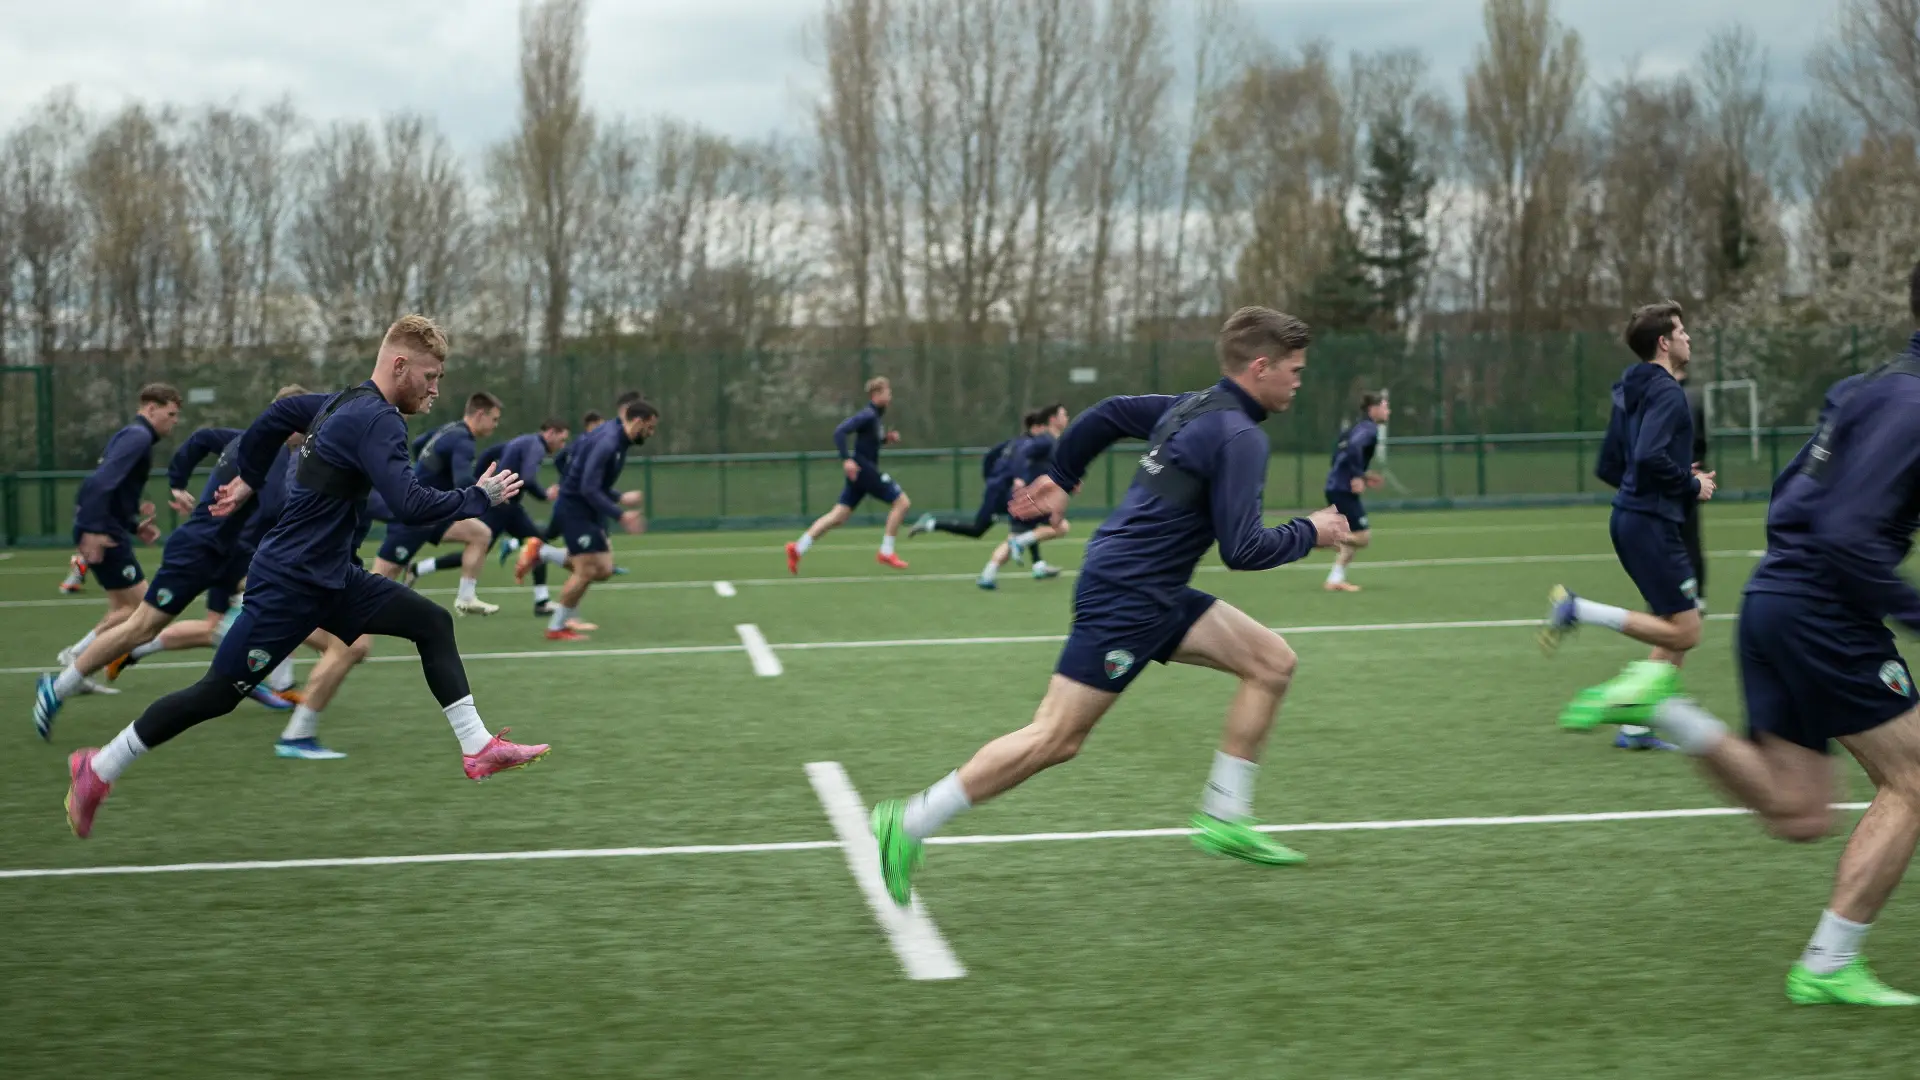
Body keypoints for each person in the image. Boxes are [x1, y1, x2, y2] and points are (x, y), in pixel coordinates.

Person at [869, 307, 1349, 904]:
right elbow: (1244, 550)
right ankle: (909, 821)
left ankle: (1225, 816)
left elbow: (1108, 412)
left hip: (1151, 586)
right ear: (1260, 367)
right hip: (1130, 594)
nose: (1299, 381)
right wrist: (1312, 531)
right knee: (1056, 737)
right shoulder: (1241, 436)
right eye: (1294, 370)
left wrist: (1063, 475)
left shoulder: (1192, 406)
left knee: (1272, 663)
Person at [59, 315, 550, 839]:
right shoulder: (379, 420)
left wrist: (248, 478)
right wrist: (481, 496)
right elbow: (408, 504)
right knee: (216, 694)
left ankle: (477, 748)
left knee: (430, 622)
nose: (435, 390)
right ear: (399, 365)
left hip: (334, 580)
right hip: (290, 586)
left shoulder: (336, 402)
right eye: (430, 377)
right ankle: (100, 768)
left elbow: (274, 417)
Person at [1576, 266, 1920, 1005]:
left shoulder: (1867, 388)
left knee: (1800, 812)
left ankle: (1663, 709)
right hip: (1824, 614)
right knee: (1915, 780)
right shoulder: (1914, 402)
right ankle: (1828, 965)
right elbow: (1846, 530)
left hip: (1776, 599)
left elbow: (1791, 495)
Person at [1541, 302, 1716, 727]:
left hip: (1635, 517)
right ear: (1664, 342)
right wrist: (1690, 484)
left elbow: (1614, 464)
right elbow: (1648, 455)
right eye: (1681, 331)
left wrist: (1666, 479)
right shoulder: (1668, 392)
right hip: (1652, 524)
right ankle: (1578, 610)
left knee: (1671, 624)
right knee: (1687, 631)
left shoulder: (1631, 391)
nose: (1688, 338)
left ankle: (1637, 725)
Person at [54, 383, 185, 693]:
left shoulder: (133, 436)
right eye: (171, 414)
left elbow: (111, 489)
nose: (174, 421)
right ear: (151, 408)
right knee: (144, 610)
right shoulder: (138, 438)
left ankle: (77, 666)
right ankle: (76, 660)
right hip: (105, 534)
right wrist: (94, 530)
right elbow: (99, 484)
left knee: (123, 610)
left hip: (110, 528)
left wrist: (132, 524)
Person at [526, 398, 657, 642]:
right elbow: (588, 487)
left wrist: (619, 497)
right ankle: (556, 628)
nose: (651, 433)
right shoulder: (609, 443)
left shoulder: (616, 436)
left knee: (604, 569)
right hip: (576, 507)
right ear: (637, 421)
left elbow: (592, 478)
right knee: (586, 570)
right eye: (649, 428)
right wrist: (621, 515)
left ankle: (541, 552)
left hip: (586, 506)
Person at [369, 391, 503, 616]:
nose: (495, 426)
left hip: (434, 509)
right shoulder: (464, 440)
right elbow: (462, 480)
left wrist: (430, 473)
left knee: (480, 534)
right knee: (382, 576)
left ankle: (466, 597)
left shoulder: (450, 429)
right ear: (480, 414)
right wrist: (487, 493)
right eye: (494, 419)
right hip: (414, 513)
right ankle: (346, 621)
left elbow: (420, 444)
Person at [424, 417, 568, 616]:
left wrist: (479, 479)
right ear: (550, 432)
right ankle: (420, 569)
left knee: (535, 543)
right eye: (561, 440)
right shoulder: (536, 446)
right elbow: (527, 477)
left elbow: (488, 455)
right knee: (479, 548)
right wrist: (544, 495)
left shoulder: (523, 441)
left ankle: (541, 600)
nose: (562, 445)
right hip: (501, 507)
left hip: (507, 507)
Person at [787, 377, 912, 573]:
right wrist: (847, 459)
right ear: (876, 395)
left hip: (860, 473)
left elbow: (869, 442)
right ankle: (886, 552)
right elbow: (840, 432)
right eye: (887, 392)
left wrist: (886, 439)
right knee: (902, 503)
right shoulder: (868, 415)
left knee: (838, 516)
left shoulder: (875, 416)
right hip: (864, 470)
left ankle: (798, 548)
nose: (890, 396)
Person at [1322, 392, 1388, 593]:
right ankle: (1319, 535)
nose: (1388, 411)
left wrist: (1364, 475)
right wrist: (1357, 476)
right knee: (1362, 538)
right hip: (1343, 489)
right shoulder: (1368, 429)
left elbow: (1338, 456)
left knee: (1351, 538)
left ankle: (1334, 579)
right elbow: (1353, 449)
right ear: (1373, 409)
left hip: (1336, 486)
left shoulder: (1355, 427)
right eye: (1385, 407)